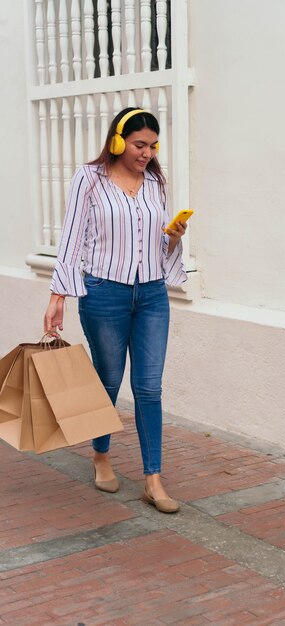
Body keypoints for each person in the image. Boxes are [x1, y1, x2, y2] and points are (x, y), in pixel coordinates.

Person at [44, 107, 188, 513]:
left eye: (153, 146)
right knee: (108, 382)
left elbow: (160, 249)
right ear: (119, 141)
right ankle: (101, 454)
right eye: (140, 145)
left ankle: (153, 480)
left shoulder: (156, 182)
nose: (147, 153)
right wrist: (58, 297)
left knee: (149, 388)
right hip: (104, 294)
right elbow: (72, 238)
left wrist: (174, 238)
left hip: (153, 296)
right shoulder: (89, 180)